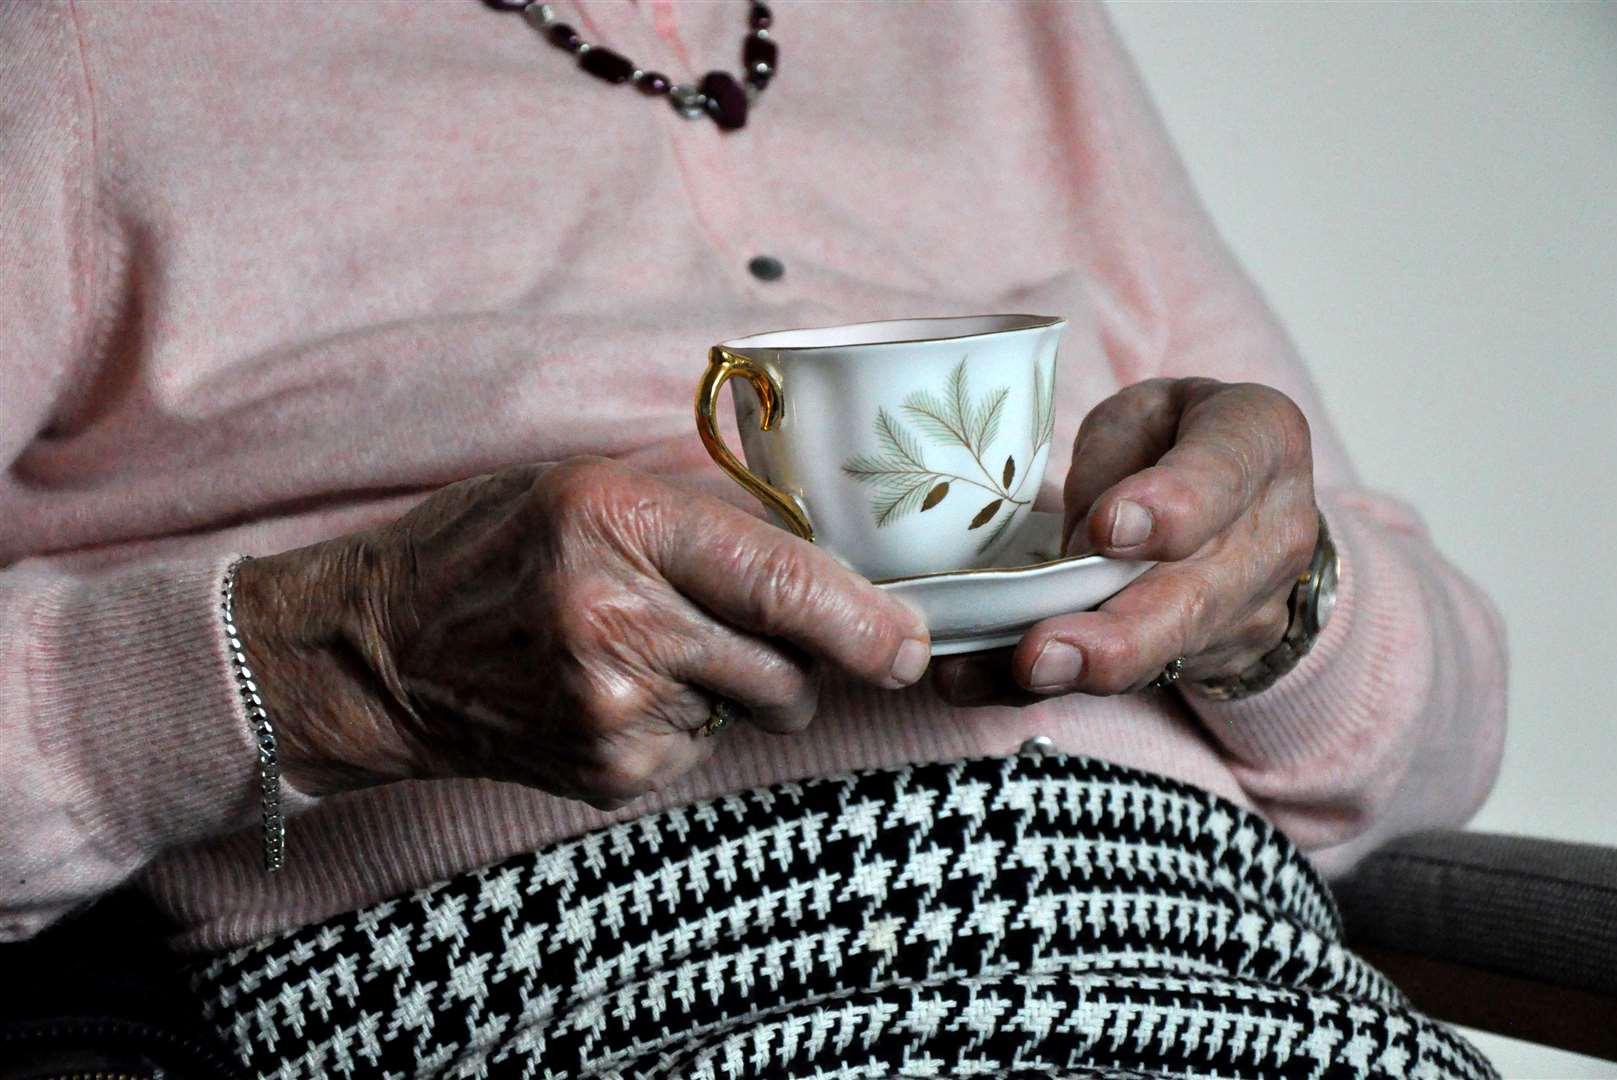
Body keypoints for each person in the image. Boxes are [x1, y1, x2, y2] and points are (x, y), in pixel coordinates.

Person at [1, 1, 1507, 1076]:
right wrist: (339, 658)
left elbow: (1436, 735)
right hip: (559, 979)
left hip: (1222, 961)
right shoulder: (82, 36)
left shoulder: (1009, 23)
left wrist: (1278, 602)